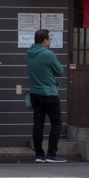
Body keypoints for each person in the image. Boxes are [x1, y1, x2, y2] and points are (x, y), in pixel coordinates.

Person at [26, 29, 67, 163]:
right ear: (45, 41)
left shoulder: (29, 53)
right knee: (56, 123)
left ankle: (39, 155)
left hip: (35, 93)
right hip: (49, 93)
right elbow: (60, 71)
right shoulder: (48, 54)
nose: (50, 42)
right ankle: (51, 154)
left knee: (38, 124)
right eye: (49, 39)